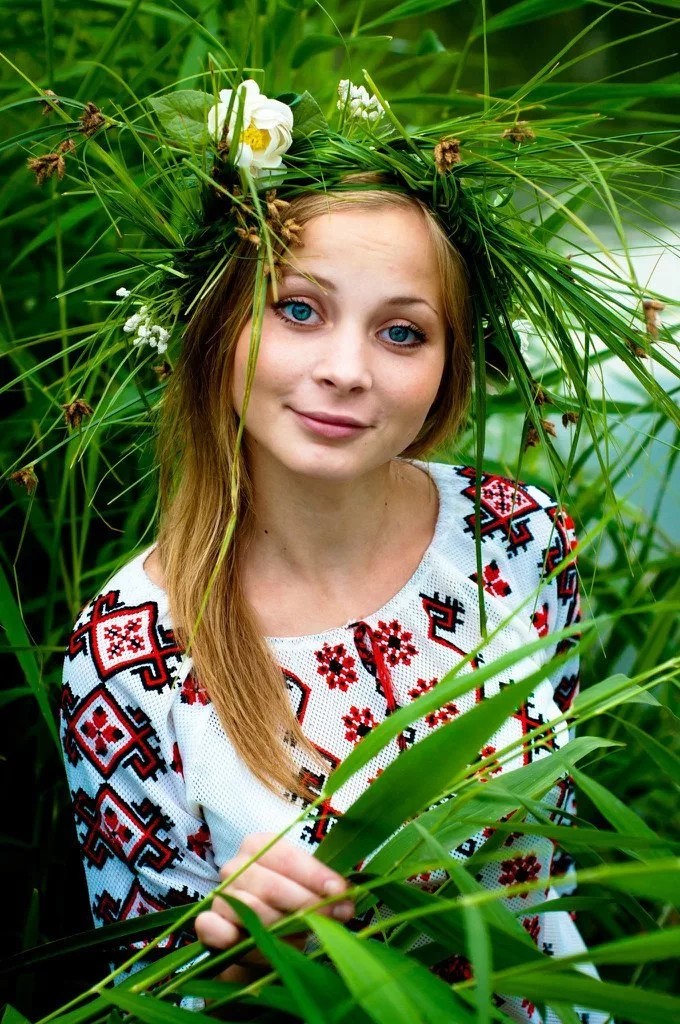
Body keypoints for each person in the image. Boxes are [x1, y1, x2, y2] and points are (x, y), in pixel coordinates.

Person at [59, 78, 620, 1022]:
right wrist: (229, 957)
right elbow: (140, 996)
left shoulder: (520, 538)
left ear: (448, 366)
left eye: (403, 331)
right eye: (299, 309)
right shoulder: (126, 660)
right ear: (218, 324)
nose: (347, 371)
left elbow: (546, 859)